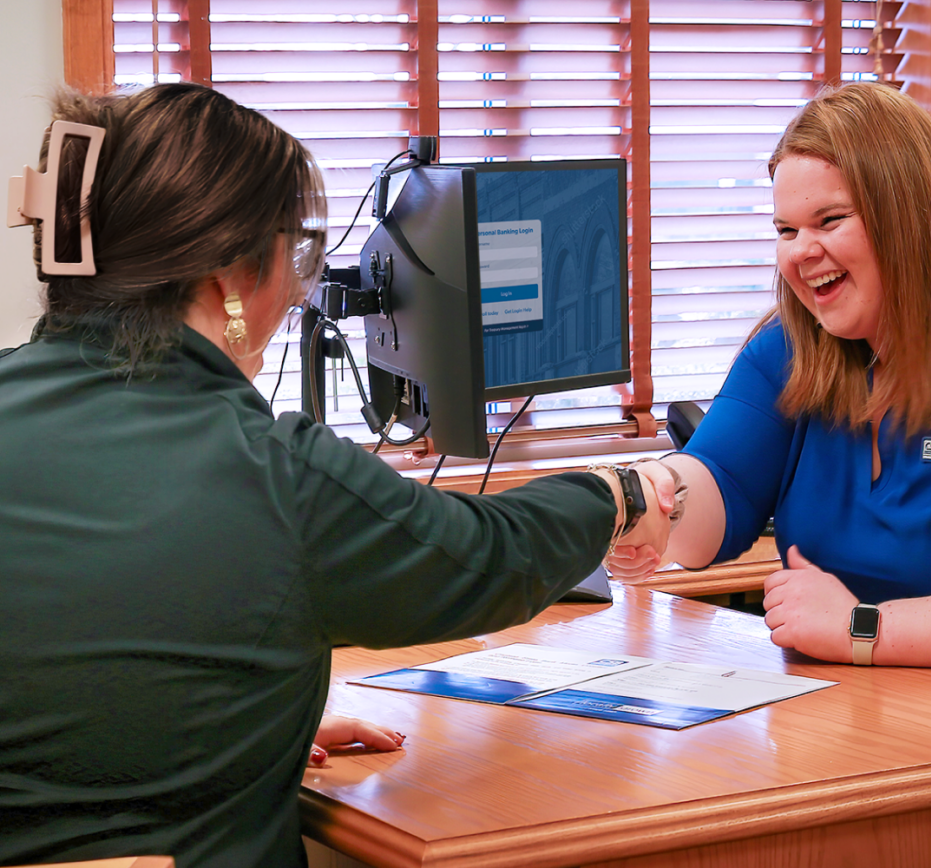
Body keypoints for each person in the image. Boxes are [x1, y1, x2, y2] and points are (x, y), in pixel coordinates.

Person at [0, 83, 673, 868]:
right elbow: (492, 558)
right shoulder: (272, 473)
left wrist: (252, 720)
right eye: (293, 255)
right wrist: (618, 494)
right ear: (230, 277)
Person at [610, 81, 931, 674]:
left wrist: (859, 628)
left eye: (828, 221)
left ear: (912, 220)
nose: (801, 252)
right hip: (829, 725)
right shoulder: (789, 351)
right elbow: (715, 486)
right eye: (786, 230)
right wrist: (646, 500)